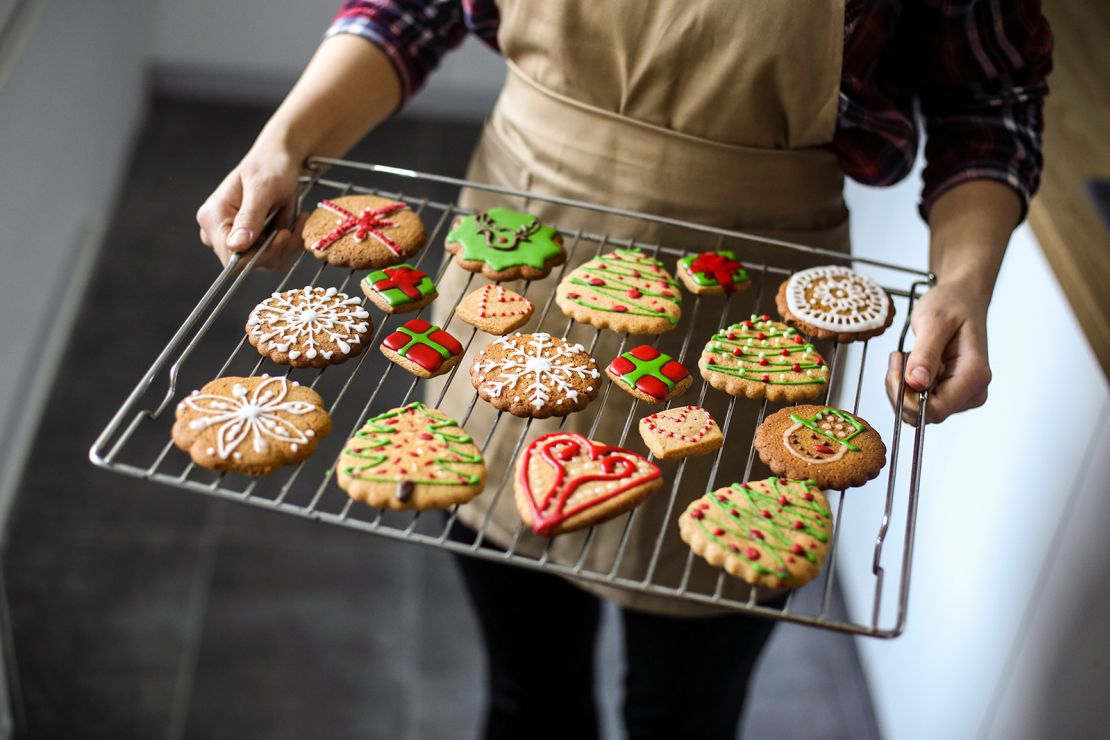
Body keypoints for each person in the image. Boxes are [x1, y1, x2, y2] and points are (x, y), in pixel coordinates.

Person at [196, 2, 1052, 738]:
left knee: (686, 715)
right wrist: (286, 141)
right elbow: (407, 9)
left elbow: (986, 96)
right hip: (515, 243)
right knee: (529, 693)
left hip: (755, 297)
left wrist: (965, 283)